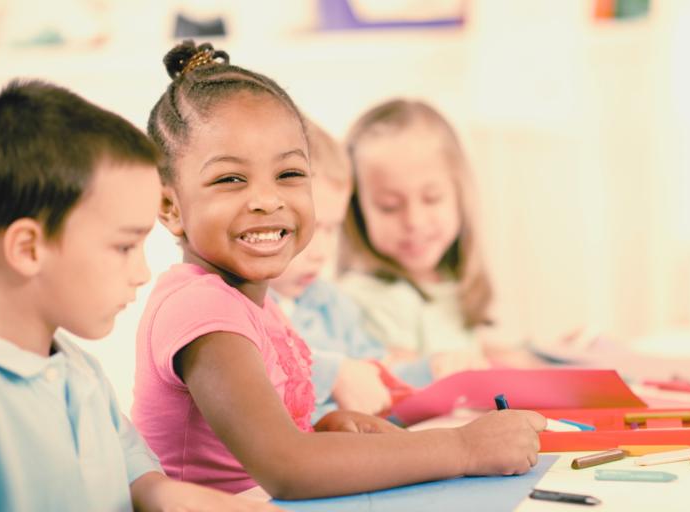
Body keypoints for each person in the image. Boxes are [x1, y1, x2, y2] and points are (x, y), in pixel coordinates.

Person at [131, 40, 545, 500]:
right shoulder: (200, 308)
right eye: (231, 179)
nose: (268, 199)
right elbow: (287, 467)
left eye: (289, 174)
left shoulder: (252, 302)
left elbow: (279, 449)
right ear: (169, 205)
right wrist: (463, 447)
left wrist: (325, 431)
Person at [0, 80, 277, 511]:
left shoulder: (79, 372)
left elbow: (143, 480)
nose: (142, 272)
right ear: (28, 248)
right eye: (124, 247)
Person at [269, 119, 432, 421]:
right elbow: (262, 374)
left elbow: (377, 379)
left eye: (331, 229)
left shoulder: (332, 303)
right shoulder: (244, 308)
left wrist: (431, 371)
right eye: (306, 228)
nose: (321, 252)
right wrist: (332, 375)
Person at [339, 99, 496, 377]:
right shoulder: (357, 299)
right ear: (358, 210)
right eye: (390, 206)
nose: (414, 221)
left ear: (460, 195)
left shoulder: (452, 283)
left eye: (431, 199)